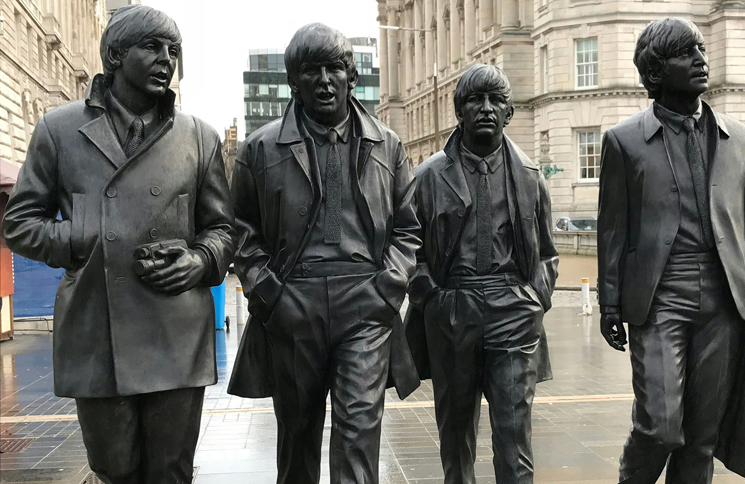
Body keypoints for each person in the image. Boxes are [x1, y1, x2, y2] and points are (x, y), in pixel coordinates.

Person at [1, 5, 234, 483]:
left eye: (173, 50)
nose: (166, 59)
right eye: (151, 47)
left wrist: (200, 259)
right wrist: (81, 235)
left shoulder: (199, 137)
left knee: (170, 471)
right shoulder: (58, 130)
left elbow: (224, 230)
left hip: (175, 331)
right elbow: (19, 223)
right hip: (96, 329)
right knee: (114, 468)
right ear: (114, 55)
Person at [597, 17, 745, 483]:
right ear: (656, 70)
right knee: (659, 428)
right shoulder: (623, 141)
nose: (700, 59)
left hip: (725, 302)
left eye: (701, 49)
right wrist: (609, 302)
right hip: (659, 299)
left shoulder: (741, 140)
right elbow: (612, 230)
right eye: (685, 52)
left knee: (701, 439)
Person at [227, 23, 421, 484]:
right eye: (311, 70)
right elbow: (239, 231)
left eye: (335, 68)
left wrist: (388, 287)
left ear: (351, 76)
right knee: (297, 442)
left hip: (365, 303)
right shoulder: (259, 149)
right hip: (294, 301)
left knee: (359, 437)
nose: (325, 80)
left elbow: (409, 228)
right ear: (293, 81)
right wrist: (270, 294)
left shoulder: (387, 146)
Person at [405, 64, 558, 484]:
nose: (487, 108)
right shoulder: (428, 176)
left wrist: (535, 298)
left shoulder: (529, 176)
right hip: (453, 307)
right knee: (456, 438)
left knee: (515, 436)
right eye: (476, 100)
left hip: (514, 309)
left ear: (509, 113)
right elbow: (407, 247)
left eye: (496, 101)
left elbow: (547, 251)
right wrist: (431, 298)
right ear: (459, 112)